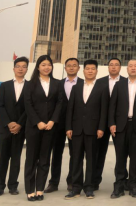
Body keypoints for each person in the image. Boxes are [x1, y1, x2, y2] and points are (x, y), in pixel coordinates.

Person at [109, 60, 136, 199]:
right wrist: (112, 123)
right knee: (120, 157)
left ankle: (133, 185)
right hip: (121, 126)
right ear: (126, 69)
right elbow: (112, 106)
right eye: (130, 66)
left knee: (135, 158)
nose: (133, 68)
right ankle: (119, 186)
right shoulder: (119, 84)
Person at [65, 60, 109, 200]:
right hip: (76, 129)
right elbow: (70, 109)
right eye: (87, 68)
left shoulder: (102, 88)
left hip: (93, 130)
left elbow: (104, 110)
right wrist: (68, 127)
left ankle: (89, 187)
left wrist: (101, 128)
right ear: (83, 71)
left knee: (91, 160)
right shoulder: (76, 87)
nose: (90, 71)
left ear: (96, 71)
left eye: (93, 69)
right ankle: (76, 188)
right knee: (76, 159)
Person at [23, 55, 64, 201]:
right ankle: (30, 190)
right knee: (31, 159)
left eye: (49, 65)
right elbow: (28, 104)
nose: (47, 67)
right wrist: (38, 122)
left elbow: (60, 103)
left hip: (50, 127)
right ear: (38, 67)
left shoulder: (57, 83)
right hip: (34, 127)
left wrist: (53, 121)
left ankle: (40, 189)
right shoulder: (30, 84)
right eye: (43, 64)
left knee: (45, 159)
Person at [45, 58, 82, 194]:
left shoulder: (84, 83)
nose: (71, 68)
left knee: (75, 154)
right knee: (56, 153)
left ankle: (72, 181)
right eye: (69, 66)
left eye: (74, 65)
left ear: (78, 68)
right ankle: (53, 182)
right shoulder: (57, 84)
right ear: (65, 68)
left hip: (76, 125)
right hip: (58, 124)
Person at [0, 57, 29, 197]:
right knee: (3, 158)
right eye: (18, 66)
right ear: (13, 68)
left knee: (16, 158)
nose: (21, 69)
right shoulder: (5, 85)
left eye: (24, 66)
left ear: (27, 69)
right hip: (4, 128)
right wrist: (9, 123)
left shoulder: (31, 86)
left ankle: (13, 186)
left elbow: (29, 108)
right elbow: (0, 106)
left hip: (21, 128)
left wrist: (19, 124)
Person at [92, 58, 122, 191]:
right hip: (102, 123)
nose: (114, 67)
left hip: (119, 123)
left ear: (120, 67)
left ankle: (121, 181)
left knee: (121, 154)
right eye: (111, 65)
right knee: (99, 153)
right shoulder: (99, 82)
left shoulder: (125, 82)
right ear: (108, 67)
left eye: (116, 65)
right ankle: (95, 181)